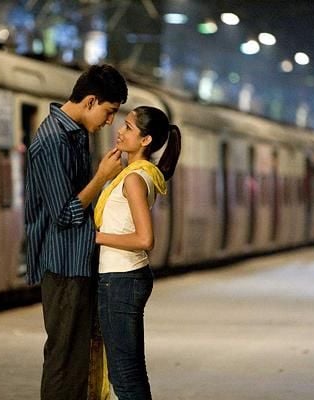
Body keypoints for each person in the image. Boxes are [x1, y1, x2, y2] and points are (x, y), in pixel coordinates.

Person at [24, 64, 128, 400]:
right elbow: (65, 214)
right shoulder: (53, 141)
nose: (110, 122)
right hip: (63, 264)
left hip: (77, 262)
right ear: (91, 101)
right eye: (109, 112)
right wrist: (102, 177)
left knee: (78, 356)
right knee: (64, 357)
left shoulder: (74, 134)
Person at [94, 106, 181, 399]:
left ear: (145, 140)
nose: (120, 130)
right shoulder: (136, 174)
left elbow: (145, 238)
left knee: (125, 374)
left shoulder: (134, 178)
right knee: (126, 371)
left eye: (129, 127)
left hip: (122, 279)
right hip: (122, 278)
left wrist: (95, 237)